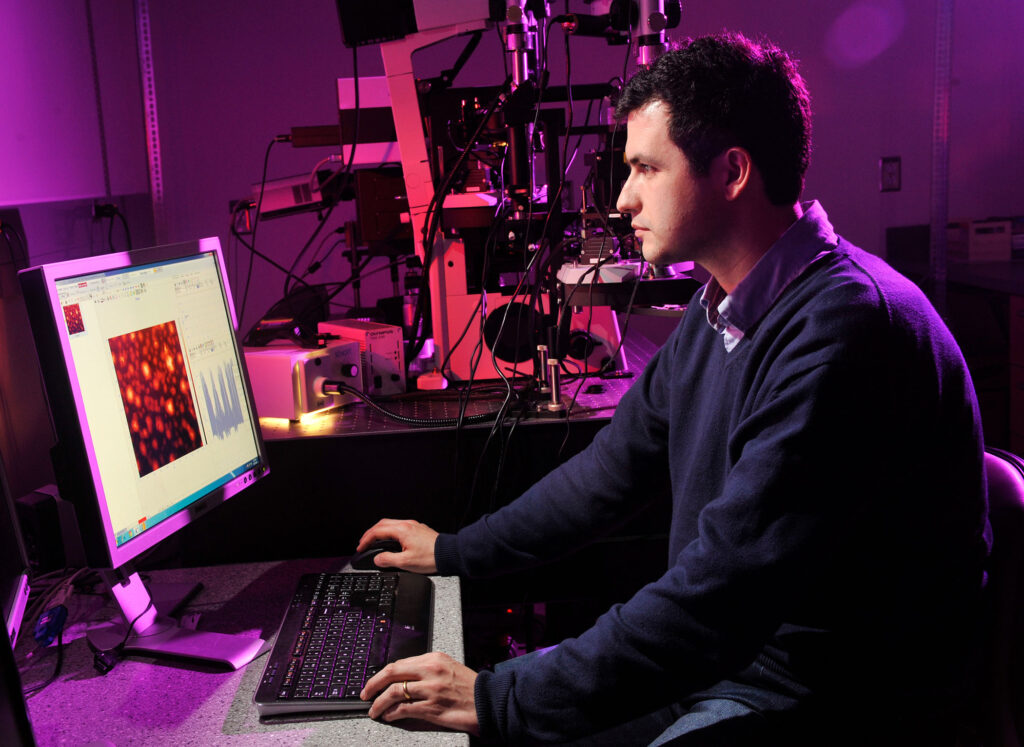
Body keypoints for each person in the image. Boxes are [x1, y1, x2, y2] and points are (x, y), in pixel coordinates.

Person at [358, 31, 991, 745]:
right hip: (730, 666)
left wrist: (500, 694)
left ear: (731, 171)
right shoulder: (720, 308)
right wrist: (453, 552)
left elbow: (720, 597)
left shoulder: (844, 332)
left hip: (836, 700)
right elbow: (606, 474)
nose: (623, 198)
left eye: (644, 168)